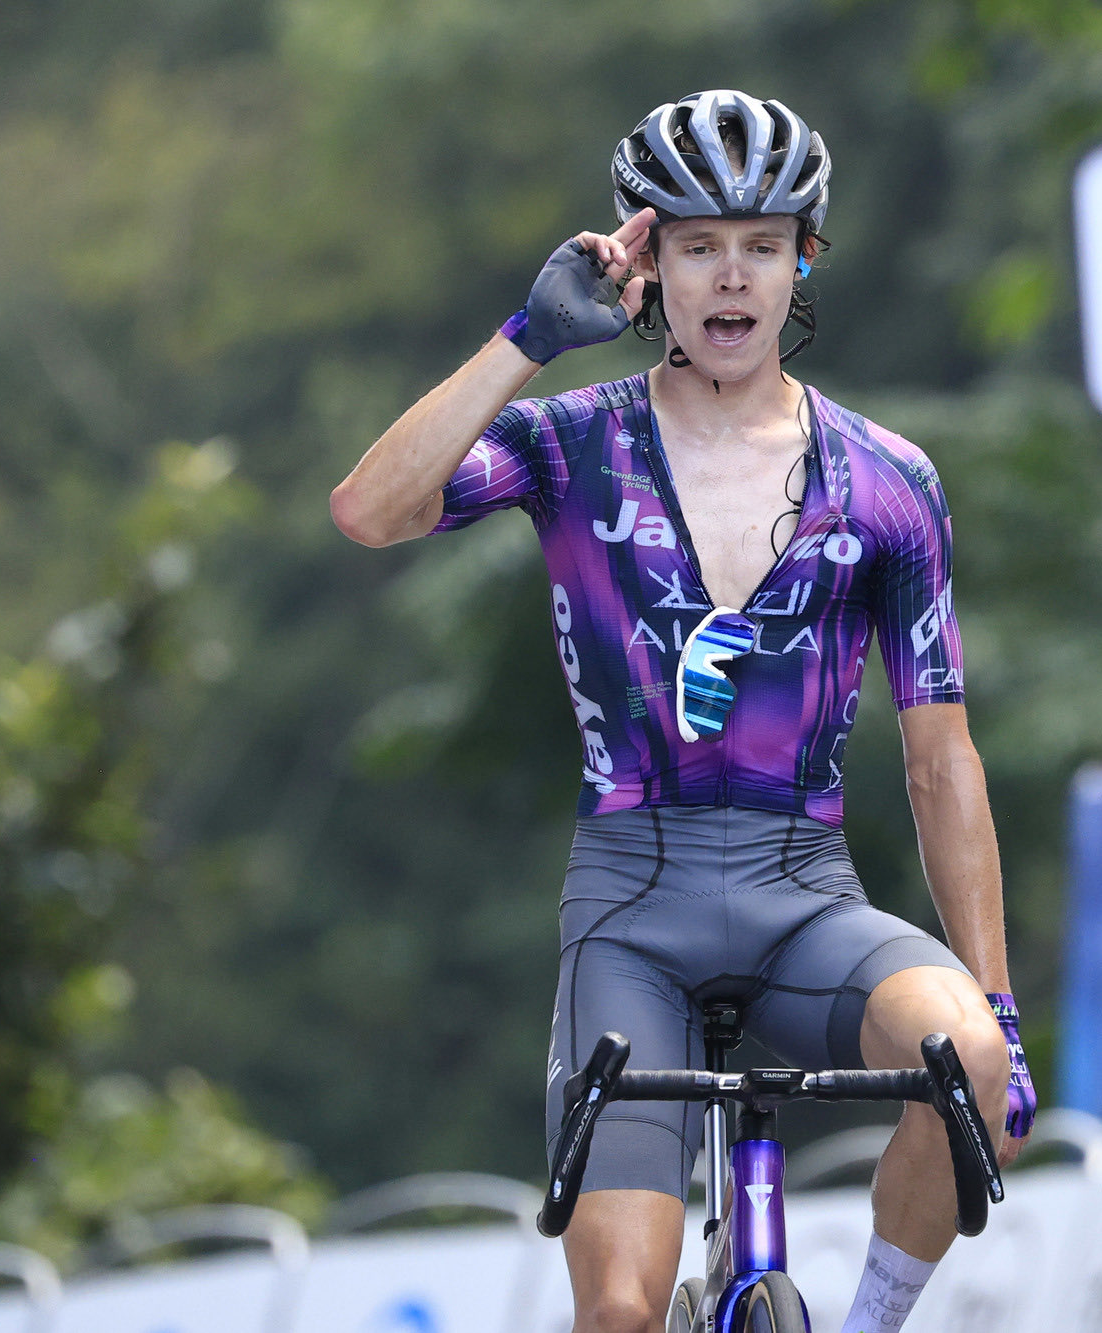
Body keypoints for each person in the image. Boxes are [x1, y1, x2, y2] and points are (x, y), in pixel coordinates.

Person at [331, 89, 1035, 1333]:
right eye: (698, 245)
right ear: (645, 262)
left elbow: (941, 762)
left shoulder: (888, 479)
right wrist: (526, 339)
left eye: (762, 244)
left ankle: (868, 1323)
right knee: (620, 1311)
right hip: (631, 912)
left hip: (803, 895)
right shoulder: (570, 443)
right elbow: (369, 509)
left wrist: (998, 1002)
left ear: (803, 259)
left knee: (964, 1059)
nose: (731, 276)